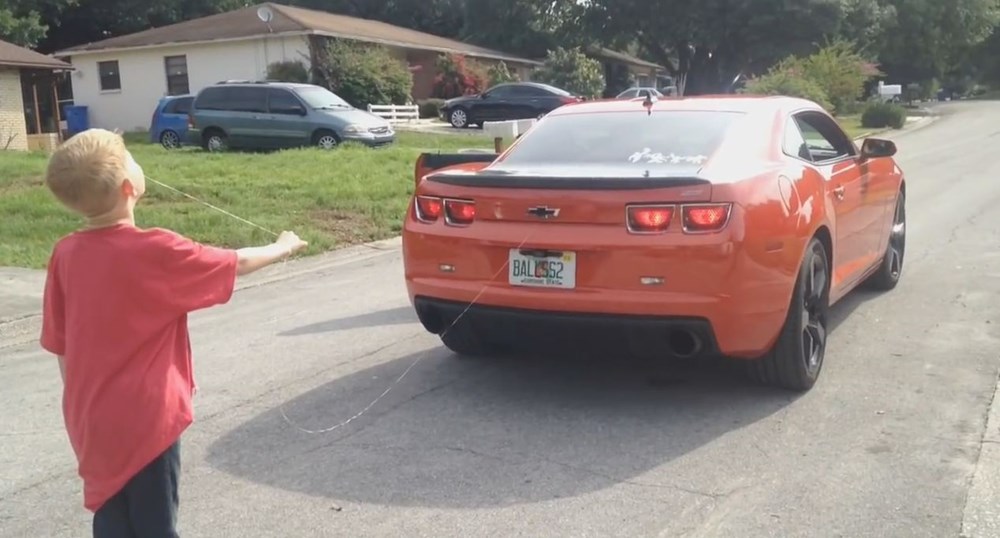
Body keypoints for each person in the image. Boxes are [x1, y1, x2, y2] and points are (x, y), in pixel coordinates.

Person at [39, 128, 308, 537]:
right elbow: (237, 262)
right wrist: (284, 245)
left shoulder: (66, 253)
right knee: (155, 524)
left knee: (112, 517)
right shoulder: (156, 250)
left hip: (91, 419)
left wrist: (81, 409)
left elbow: (62, 347)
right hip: (148, 420)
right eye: (131, 156)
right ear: (130, 187)